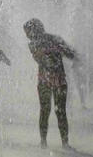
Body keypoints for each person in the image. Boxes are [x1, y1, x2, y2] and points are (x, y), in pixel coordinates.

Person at [23, 18, 76, 149]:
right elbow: (43, 58)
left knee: (51, 111)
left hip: (50, 79)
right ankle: (53, 143)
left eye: (27, 32)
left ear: (34, 29)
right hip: (51, 79)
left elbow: (70, 54)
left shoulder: (47, 41)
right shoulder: (39, 43)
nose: (26, 35)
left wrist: (65, 53)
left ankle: (52, 143)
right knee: (56, 111)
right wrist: (58, 50)